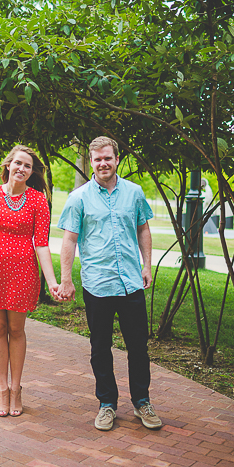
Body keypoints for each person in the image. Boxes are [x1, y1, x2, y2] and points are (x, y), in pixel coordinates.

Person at [56, 136, 162, 432]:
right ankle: (107, 404)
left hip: (130, 283)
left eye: (108, 158)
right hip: (97, 285)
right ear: (91, 162)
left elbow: (143, 229)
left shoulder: (135, 193)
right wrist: (67, 280)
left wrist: (147, 265)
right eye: (97, 159)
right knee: (100, 347)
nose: (103, 163)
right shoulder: (79, 198)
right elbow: (69, 240)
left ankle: (142, 402)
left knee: (138, 347)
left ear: (117, 159)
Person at [0, 145, 59, 418]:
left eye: (27, 166)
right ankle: (2, 389)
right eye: (18, 163)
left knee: (16, 330)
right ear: (8, 165)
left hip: (23, 273)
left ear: (32, 173)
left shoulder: (37, 200)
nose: (22, 169)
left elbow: (42, 245)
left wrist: (52, 282)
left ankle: (17, 388)